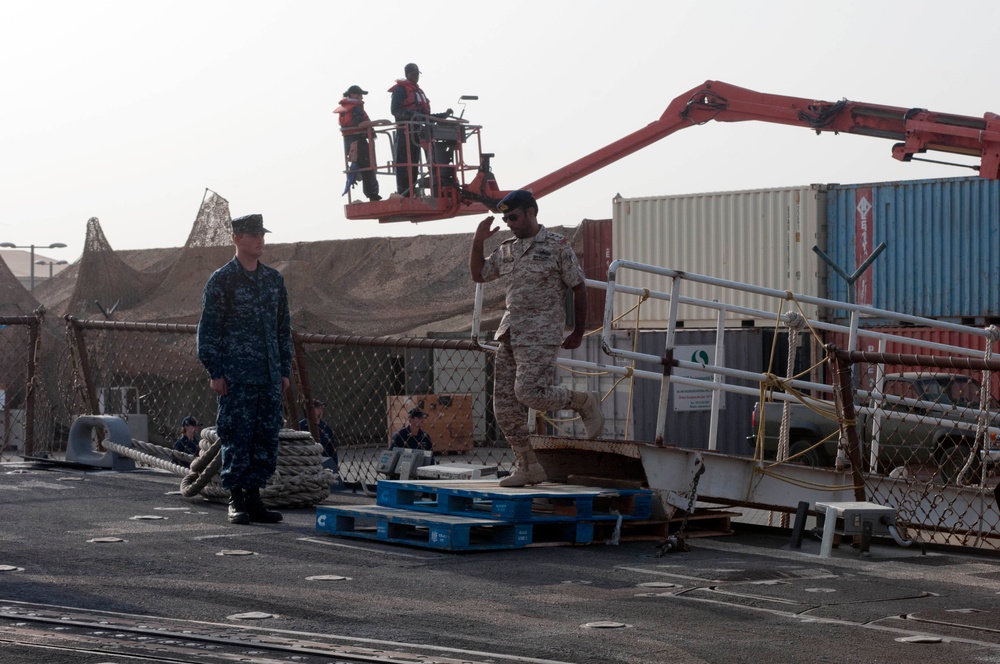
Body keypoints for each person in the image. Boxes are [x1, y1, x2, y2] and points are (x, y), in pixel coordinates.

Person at [469, 190, 604, 487]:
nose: (510, 223)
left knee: (528, 392)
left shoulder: (557, 247)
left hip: (541, 332)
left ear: (531, 213)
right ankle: (528, 465)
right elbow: (479, 274)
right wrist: (478, 241)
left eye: (514, 217)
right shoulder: (507, 249)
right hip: (510, 332)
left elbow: (578, 288)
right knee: (503, 405)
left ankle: (583, 401)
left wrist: (578, 331)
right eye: (506, 219)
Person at [197, 213, 292, 525]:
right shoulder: (222, 280)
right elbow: (209, 330)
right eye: (252, 235)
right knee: (237, 435)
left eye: (261, 234)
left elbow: (282, 328)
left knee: (265, 436)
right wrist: (215, 371)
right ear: (237, 238)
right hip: (236, 376)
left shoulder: (273, 280)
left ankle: (255, 497)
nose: (259, 240)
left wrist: (284, 370)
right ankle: (236, 499)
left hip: (267, 375)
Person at [388, 63, 451, 196]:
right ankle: (403, 192)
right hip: (404, 131)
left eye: (417, 74)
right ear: (407, 74)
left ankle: (411, 190)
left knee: (414, 163)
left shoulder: (417, 91)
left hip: (416, 132)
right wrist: (412, 115)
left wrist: (442, 116)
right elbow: (395, 111)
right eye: (413, 74)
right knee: (404, 162)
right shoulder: (400, 90)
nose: (416, 77)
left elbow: (425, 116)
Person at [334, 85, 390, 202]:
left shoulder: (345, 108)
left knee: (362, 166)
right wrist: (379, 122)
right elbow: (360, 124)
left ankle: (370, 192)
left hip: (349, 142)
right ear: (351, 95)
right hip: (358, 141)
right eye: (358, 95)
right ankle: (373, 194)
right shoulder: (356, 108)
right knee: (368, 167)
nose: (360, 97)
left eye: (361, 95)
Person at [299, 398, 339, 472]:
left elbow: (333, 450)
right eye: (317, 408)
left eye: (321, 408)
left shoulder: (326, 428)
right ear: (310, 410)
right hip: (307, 465)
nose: (320, 411)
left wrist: (335, 467)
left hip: (325, 464)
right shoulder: (301, 426)